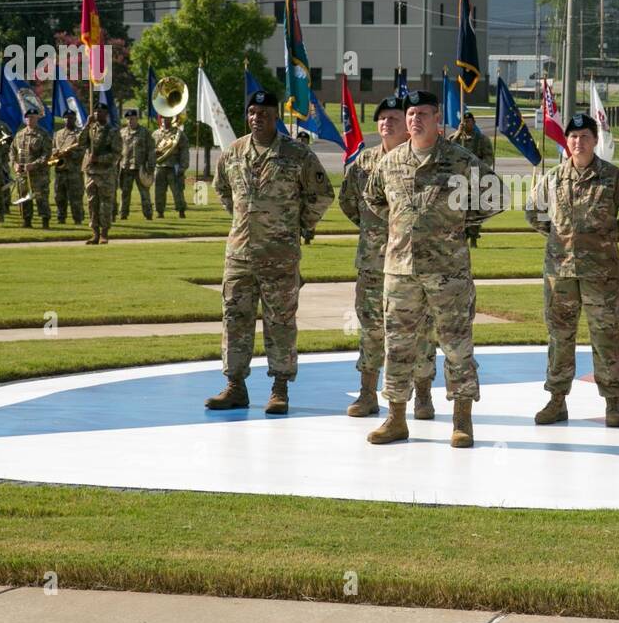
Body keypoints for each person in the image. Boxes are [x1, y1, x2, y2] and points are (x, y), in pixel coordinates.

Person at [363, 90, 506, 448]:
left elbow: (497, 195)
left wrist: (457, 221)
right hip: (400, 270)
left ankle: (462, 420)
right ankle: (395, 418)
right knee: (397, 346)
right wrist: (404, 225)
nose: (414, 120)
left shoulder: (459, 160)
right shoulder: (391, 161)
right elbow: (374, 198)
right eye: (410, 113)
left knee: (457, 346)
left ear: (437, 118)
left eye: (422, 113)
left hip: (448, 272)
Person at [206, 90, 334, 414]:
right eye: (251, 113)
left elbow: (322, 193)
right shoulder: (234, 153)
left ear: (275, 116)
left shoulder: (296, 154)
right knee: (235, 319)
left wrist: (298, 224)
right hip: (239, 256)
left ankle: (280, 388)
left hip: (280, 255)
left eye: (263, 113)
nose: (256, 118)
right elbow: (221, 189)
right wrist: (240, 219)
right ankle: (235, 385)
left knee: (280, 322)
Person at [526, 112, 619, 426]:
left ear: (595, 141)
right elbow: (533, 213)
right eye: (573, 137)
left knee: (605, 335)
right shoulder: (552, 178)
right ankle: (556, 399)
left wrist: (608, 237)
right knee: (559, 337)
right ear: (567, 141)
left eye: (585, 137)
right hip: (560, 274)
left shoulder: (612, 177)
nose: (578, 142)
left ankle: (613, 402)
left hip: (600, 273)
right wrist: (558, 238)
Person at [337, 95, 437, 419]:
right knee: (371, 329)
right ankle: (367, 393)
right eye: (382, 119)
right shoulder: (363, 165)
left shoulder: (423, 161)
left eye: (394, 118)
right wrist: (376, 233)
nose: (386, 123)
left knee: (420, 330)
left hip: (413, 263)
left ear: (407, 126)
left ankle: (422, 395)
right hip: (373, 263)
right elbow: (349, 203)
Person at [449, 111, 495, 247]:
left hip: (475, 178)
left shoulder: (481, 139)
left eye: (469, 121)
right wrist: (458, 134)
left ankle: (474, 237)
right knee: (458, 209)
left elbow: (489, 157)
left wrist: (480, 167)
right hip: (459, 179)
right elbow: (447, 150)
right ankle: (461, 236)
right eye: (463, 121)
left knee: (475, 209)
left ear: (474, 123)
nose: (466, 124)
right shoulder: (455, 138)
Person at [79, 102, 122, 244]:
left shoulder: (113, 132)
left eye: (101, 111)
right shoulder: (91, 129)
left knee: (105, 204)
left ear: (106, 114)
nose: (97, 113)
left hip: (105, 173)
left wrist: (99, 159)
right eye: (96, 111)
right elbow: (80, 143)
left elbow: (116, 154)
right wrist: (86, 125)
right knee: (92, 203)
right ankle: (95, 233)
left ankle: (104, 233)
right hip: (90, 171)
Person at [11, 107, 52, 229]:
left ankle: (45, 221)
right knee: (24, 197)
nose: (30, 119)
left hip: (39, 174)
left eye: (32, 117)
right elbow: (12, 152)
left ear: (37, 118)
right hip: (23, 173)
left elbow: (47, 154)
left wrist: (35, 164)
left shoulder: (43, 134)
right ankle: (27, 220)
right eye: (28, 117)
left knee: (41, 197)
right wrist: (15, 164)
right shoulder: (19, 135)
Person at [118, 108, 156, 220]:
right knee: (125, 193)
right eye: (128, 119)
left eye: (132, 119)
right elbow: (118, 149)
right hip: (126, 167)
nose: (130, 121)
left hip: (140, 168)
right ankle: (123, 214)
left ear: (137, 119)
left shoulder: (145, 132)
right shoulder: (122, 132)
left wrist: (151, 166)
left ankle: (148, 215)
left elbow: (151, 150)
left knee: (144, 193)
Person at [52, 110, 87, 224]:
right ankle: (61, 218)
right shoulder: (58, 134)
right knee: (59, 197)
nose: (68, 120)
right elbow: (52, 148)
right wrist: (55, 152)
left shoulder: (79, 134)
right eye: (66, 118)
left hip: (74, 171)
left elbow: (83, 152)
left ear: (75, 119)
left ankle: (78, 219)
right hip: (60, 170)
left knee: (75, 198)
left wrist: (70, 153)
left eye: (71, 118)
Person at [153, 115, 188, 218]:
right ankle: (160, 212)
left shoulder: (178, 134)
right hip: (160, 166)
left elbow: (184, 151)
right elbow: (150, 150)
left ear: (171, 118)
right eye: (163, 117)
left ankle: (181, 211)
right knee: (159, 191)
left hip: (174, 166)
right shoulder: (156, 134)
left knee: (177, 191)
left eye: (167, 117)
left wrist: (183, 166)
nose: (165, 120)